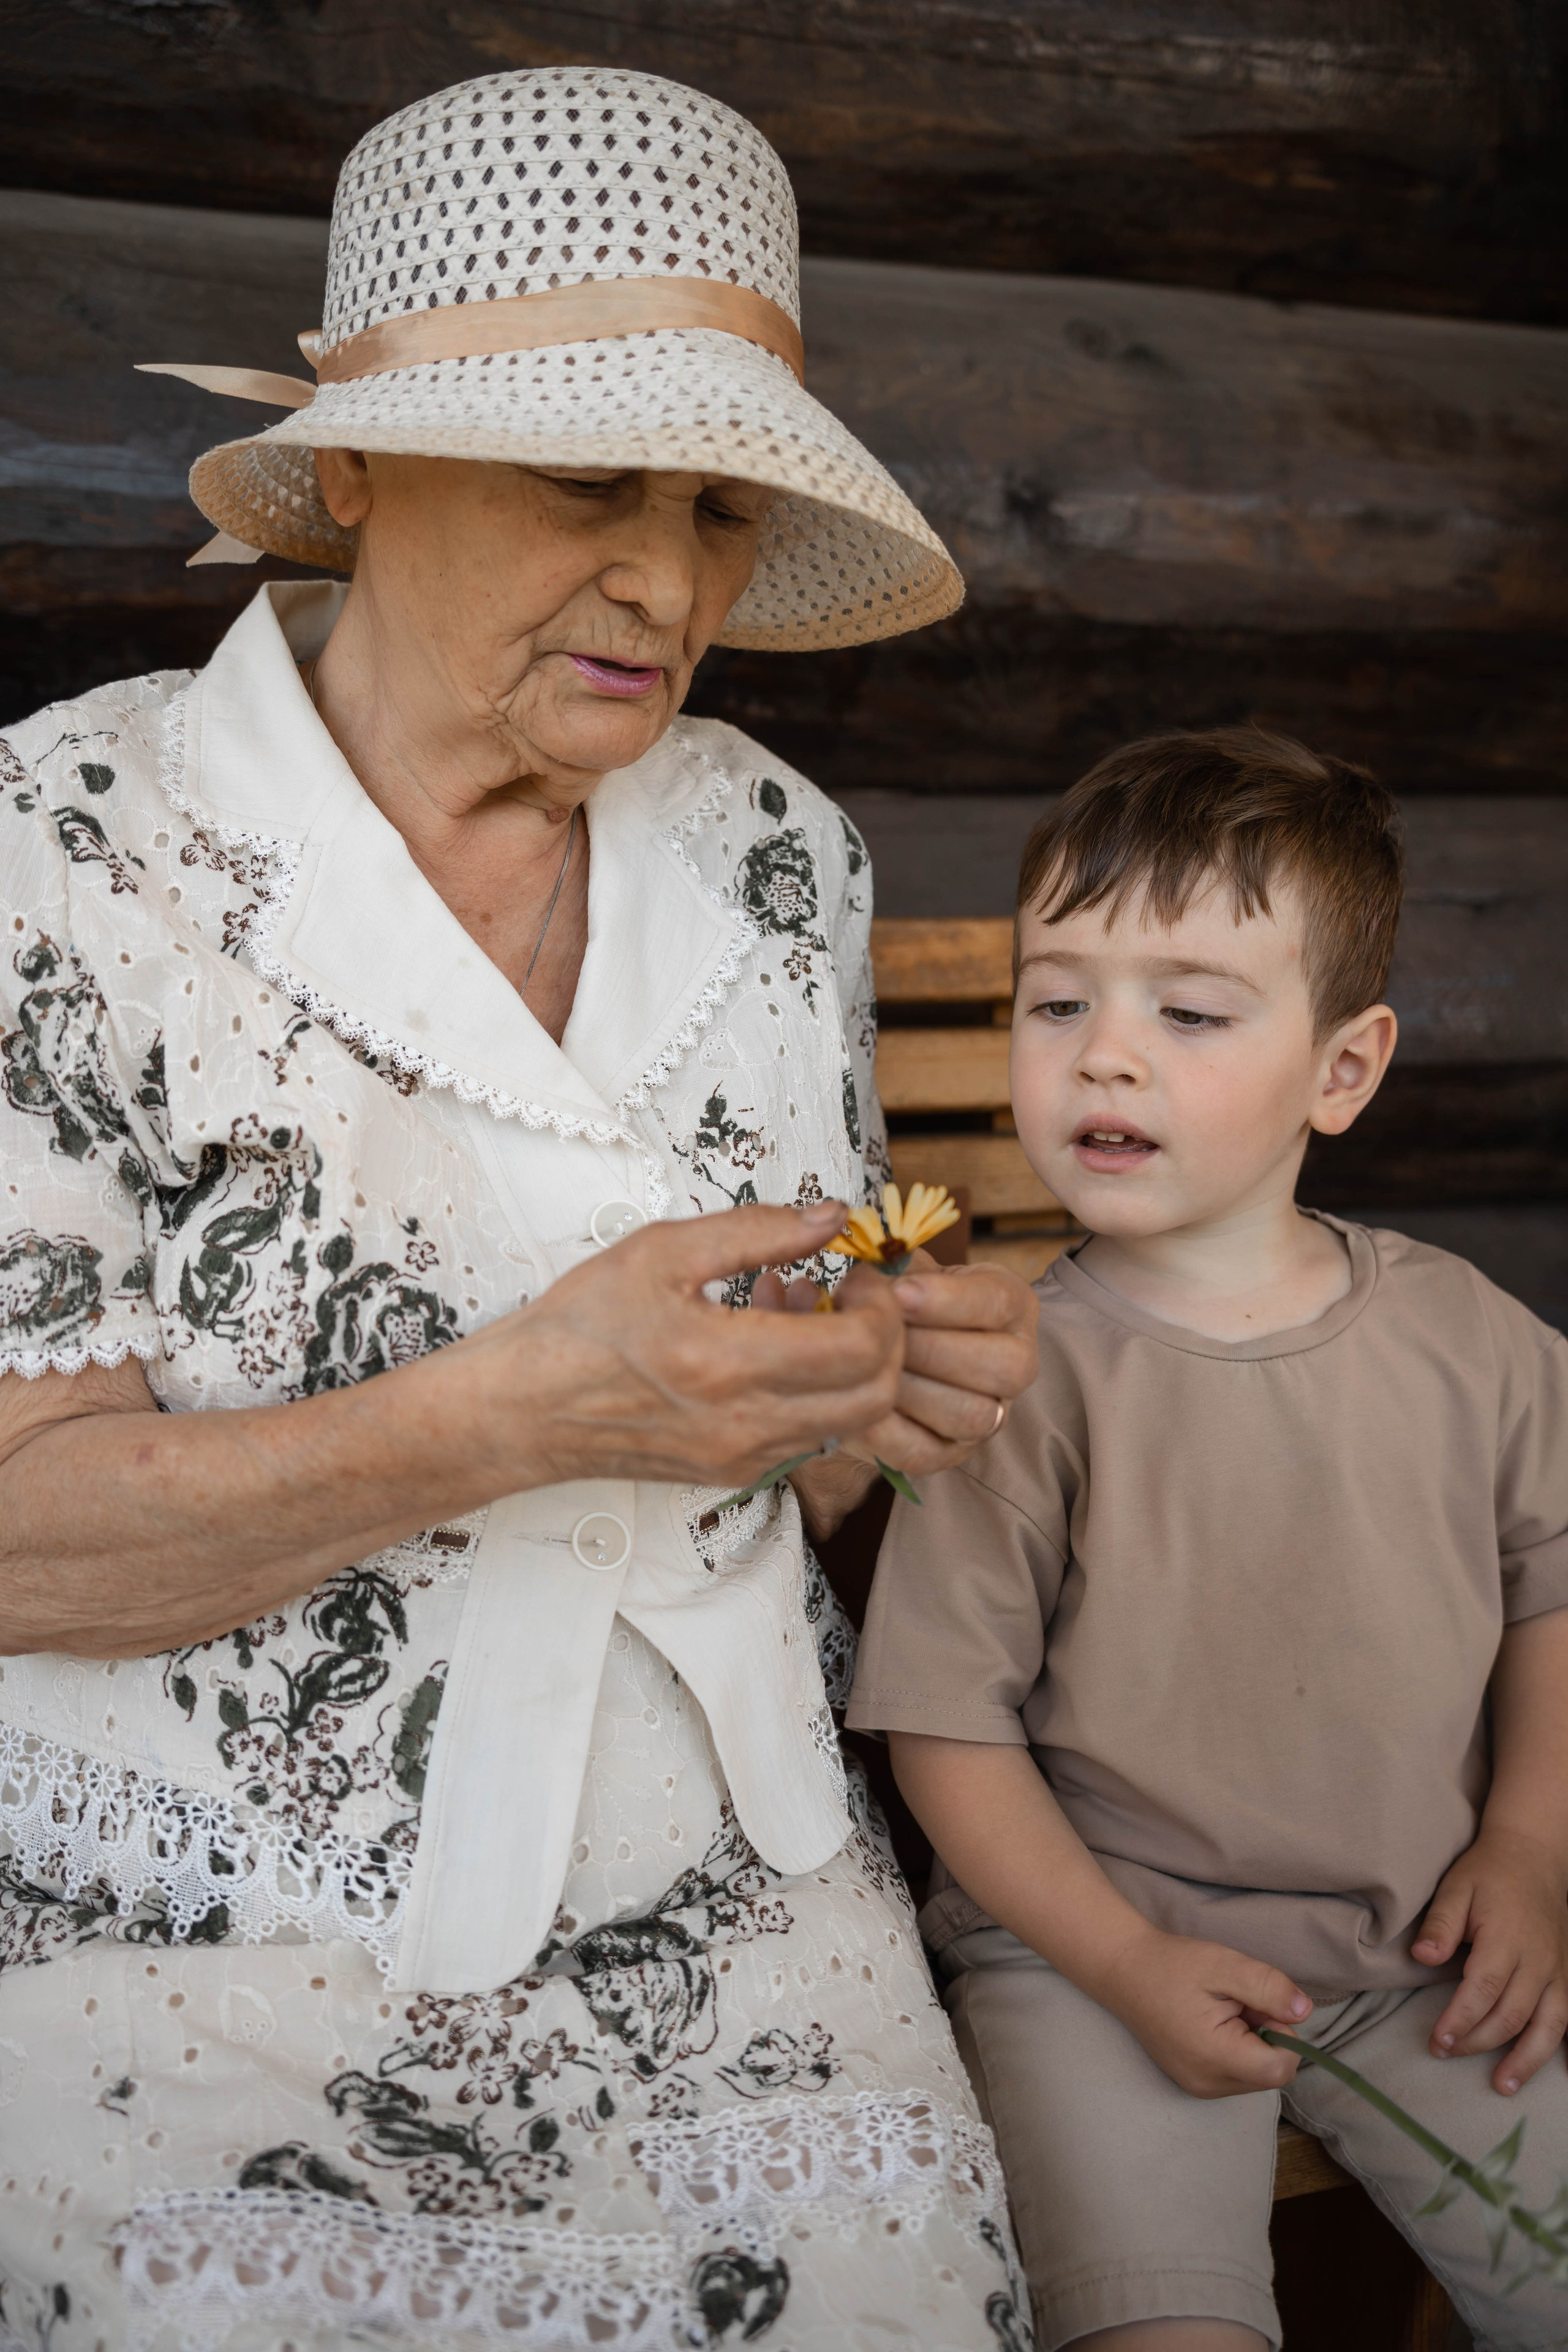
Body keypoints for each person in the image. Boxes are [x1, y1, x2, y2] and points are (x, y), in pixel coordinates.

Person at [0, 67, 1041, 2352]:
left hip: (747, 1913)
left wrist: (881, 1380)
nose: (671, 583)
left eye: (722, 505)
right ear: (354, 465)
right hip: (199, 1942)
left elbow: (790, 1426)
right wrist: (516, 1410)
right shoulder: (66, 842)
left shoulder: (779, 851)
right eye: (592, 478)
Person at [848, 728, 1568, 2352]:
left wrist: (1531, 1847)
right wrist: (1115, 1959)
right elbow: (946, 1731)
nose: (1105, 1058)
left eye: (1185, 1012)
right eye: (1057, 1003)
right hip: (1094, 1961)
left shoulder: (1467, 1337)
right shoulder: (1010, 1379)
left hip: (1425, 1949)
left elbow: (1555, 1594)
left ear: (1344, 1070)